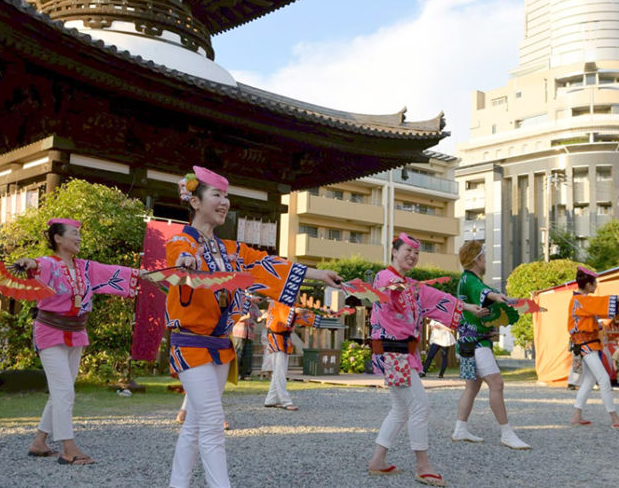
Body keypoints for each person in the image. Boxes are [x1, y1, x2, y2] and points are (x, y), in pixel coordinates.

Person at [167, 166, 341, 488]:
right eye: (216, 195)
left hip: (219, 346)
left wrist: (318, 275)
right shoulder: (181, 241)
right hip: (191, 345)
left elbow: (269, 264)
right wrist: (184, 262)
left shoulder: (231, 250)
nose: (225, 202)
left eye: (226, 196)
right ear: (194, 201)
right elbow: (180, 253)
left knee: (195, 424)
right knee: (212, 425)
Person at [13, 218, 141, 465]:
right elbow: (36, 266)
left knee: (62, 390)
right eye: (74, 233)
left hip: (76, 332)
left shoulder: (85, 267)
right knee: (64, 391)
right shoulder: (49, 264)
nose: (79, 238)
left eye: (80, 234)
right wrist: (28, 263)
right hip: (49, 331)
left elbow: (114, 272)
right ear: (58, 239)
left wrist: (143, 274)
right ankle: (68, 448)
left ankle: (39, 442)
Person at [365, 233, 484, 487]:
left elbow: (438, 297)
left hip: (401, 354)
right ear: (394, 252)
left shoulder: (412, 286)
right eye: (407, 250)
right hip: (394, 352)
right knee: (420, 408)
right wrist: (400, 287)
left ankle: (377, 461)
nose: (412, 256)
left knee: (400, 409)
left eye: (416, 253)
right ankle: (423, 466)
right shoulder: (384, 277)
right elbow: (387, 288)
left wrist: (469, 308)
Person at [450, 240, 529, 450]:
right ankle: (506, 433)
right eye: (484, 256)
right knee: (497, 384)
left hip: (471, 341)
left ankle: (460, 428)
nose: (486, 260)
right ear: (477, 259)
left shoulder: (468, 279)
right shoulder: (469, 279)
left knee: (473, 387)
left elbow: (482, 302)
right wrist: (497, 296)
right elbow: (485, 293)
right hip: (475, 343)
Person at [567, 267, 619, 431]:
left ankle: (576, 416)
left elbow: (598, 305)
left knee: (590, 380)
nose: (596, 286)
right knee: (604, 379)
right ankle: (614, 417)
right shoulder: (581, 300)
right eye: (594, 283)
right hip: (585, 344)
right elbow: (599, 303)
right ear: (588, 285)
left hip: (585, 344)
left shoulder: (581, 300)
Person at [263, 300, 320, 411]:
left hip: (284, 338)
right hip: (276, 337)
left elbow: (303, 312)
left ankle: (271, 399)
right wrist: (294, 311)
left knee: (279, 371)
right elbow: (282, 313)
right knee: (280, 371)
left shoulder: (290, 303)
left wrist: (324, 312)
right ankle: (285, 401)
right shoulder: (277, 301)